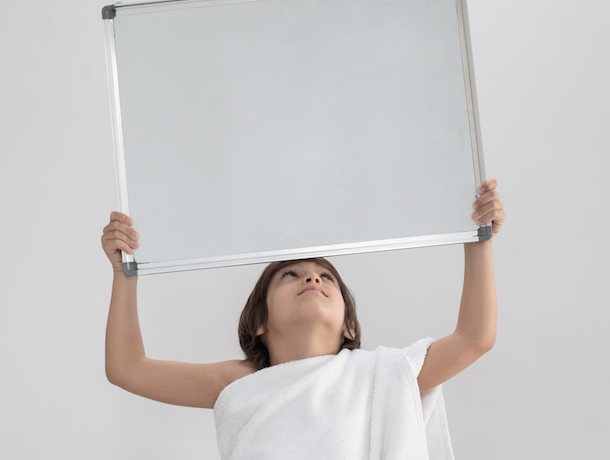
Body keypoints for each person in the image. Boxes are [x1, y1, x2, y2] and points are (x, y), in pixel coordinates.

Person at [102, 179, 505, 459]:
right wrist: (124, 273)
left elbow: (475, 337)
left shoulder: (383, 375)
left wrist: (477, 240)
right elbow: (128, 369)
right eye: (290, 274)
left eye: (326, 276)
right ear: (258, 321)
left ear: (349, 326)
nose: (312, 276)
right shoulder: (241, 381)